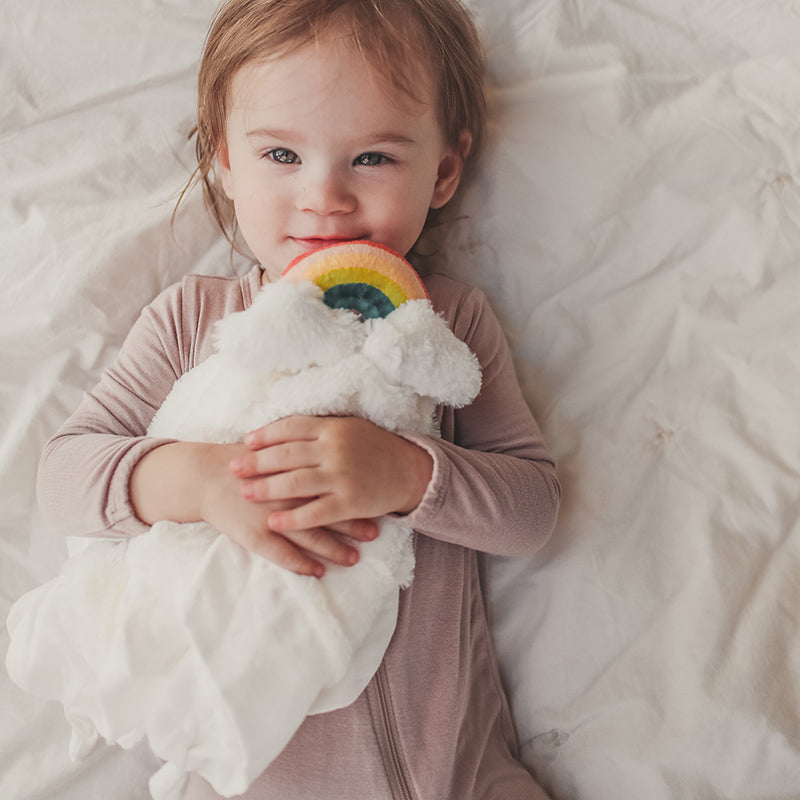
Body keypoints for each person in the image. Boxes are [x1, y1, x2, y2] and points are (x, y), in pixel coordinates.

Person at [36, 0, 562, 797]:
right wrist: (202, 483)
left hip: (457, 773)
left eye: (374, 159)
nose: (325, 198)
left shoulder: (445, 324)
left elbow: (532, 510)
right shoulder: (193, 320)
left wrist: (412, 476)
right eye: (282, 154)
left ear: (444, 170)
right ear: (225, 160)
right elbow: (65, 477)